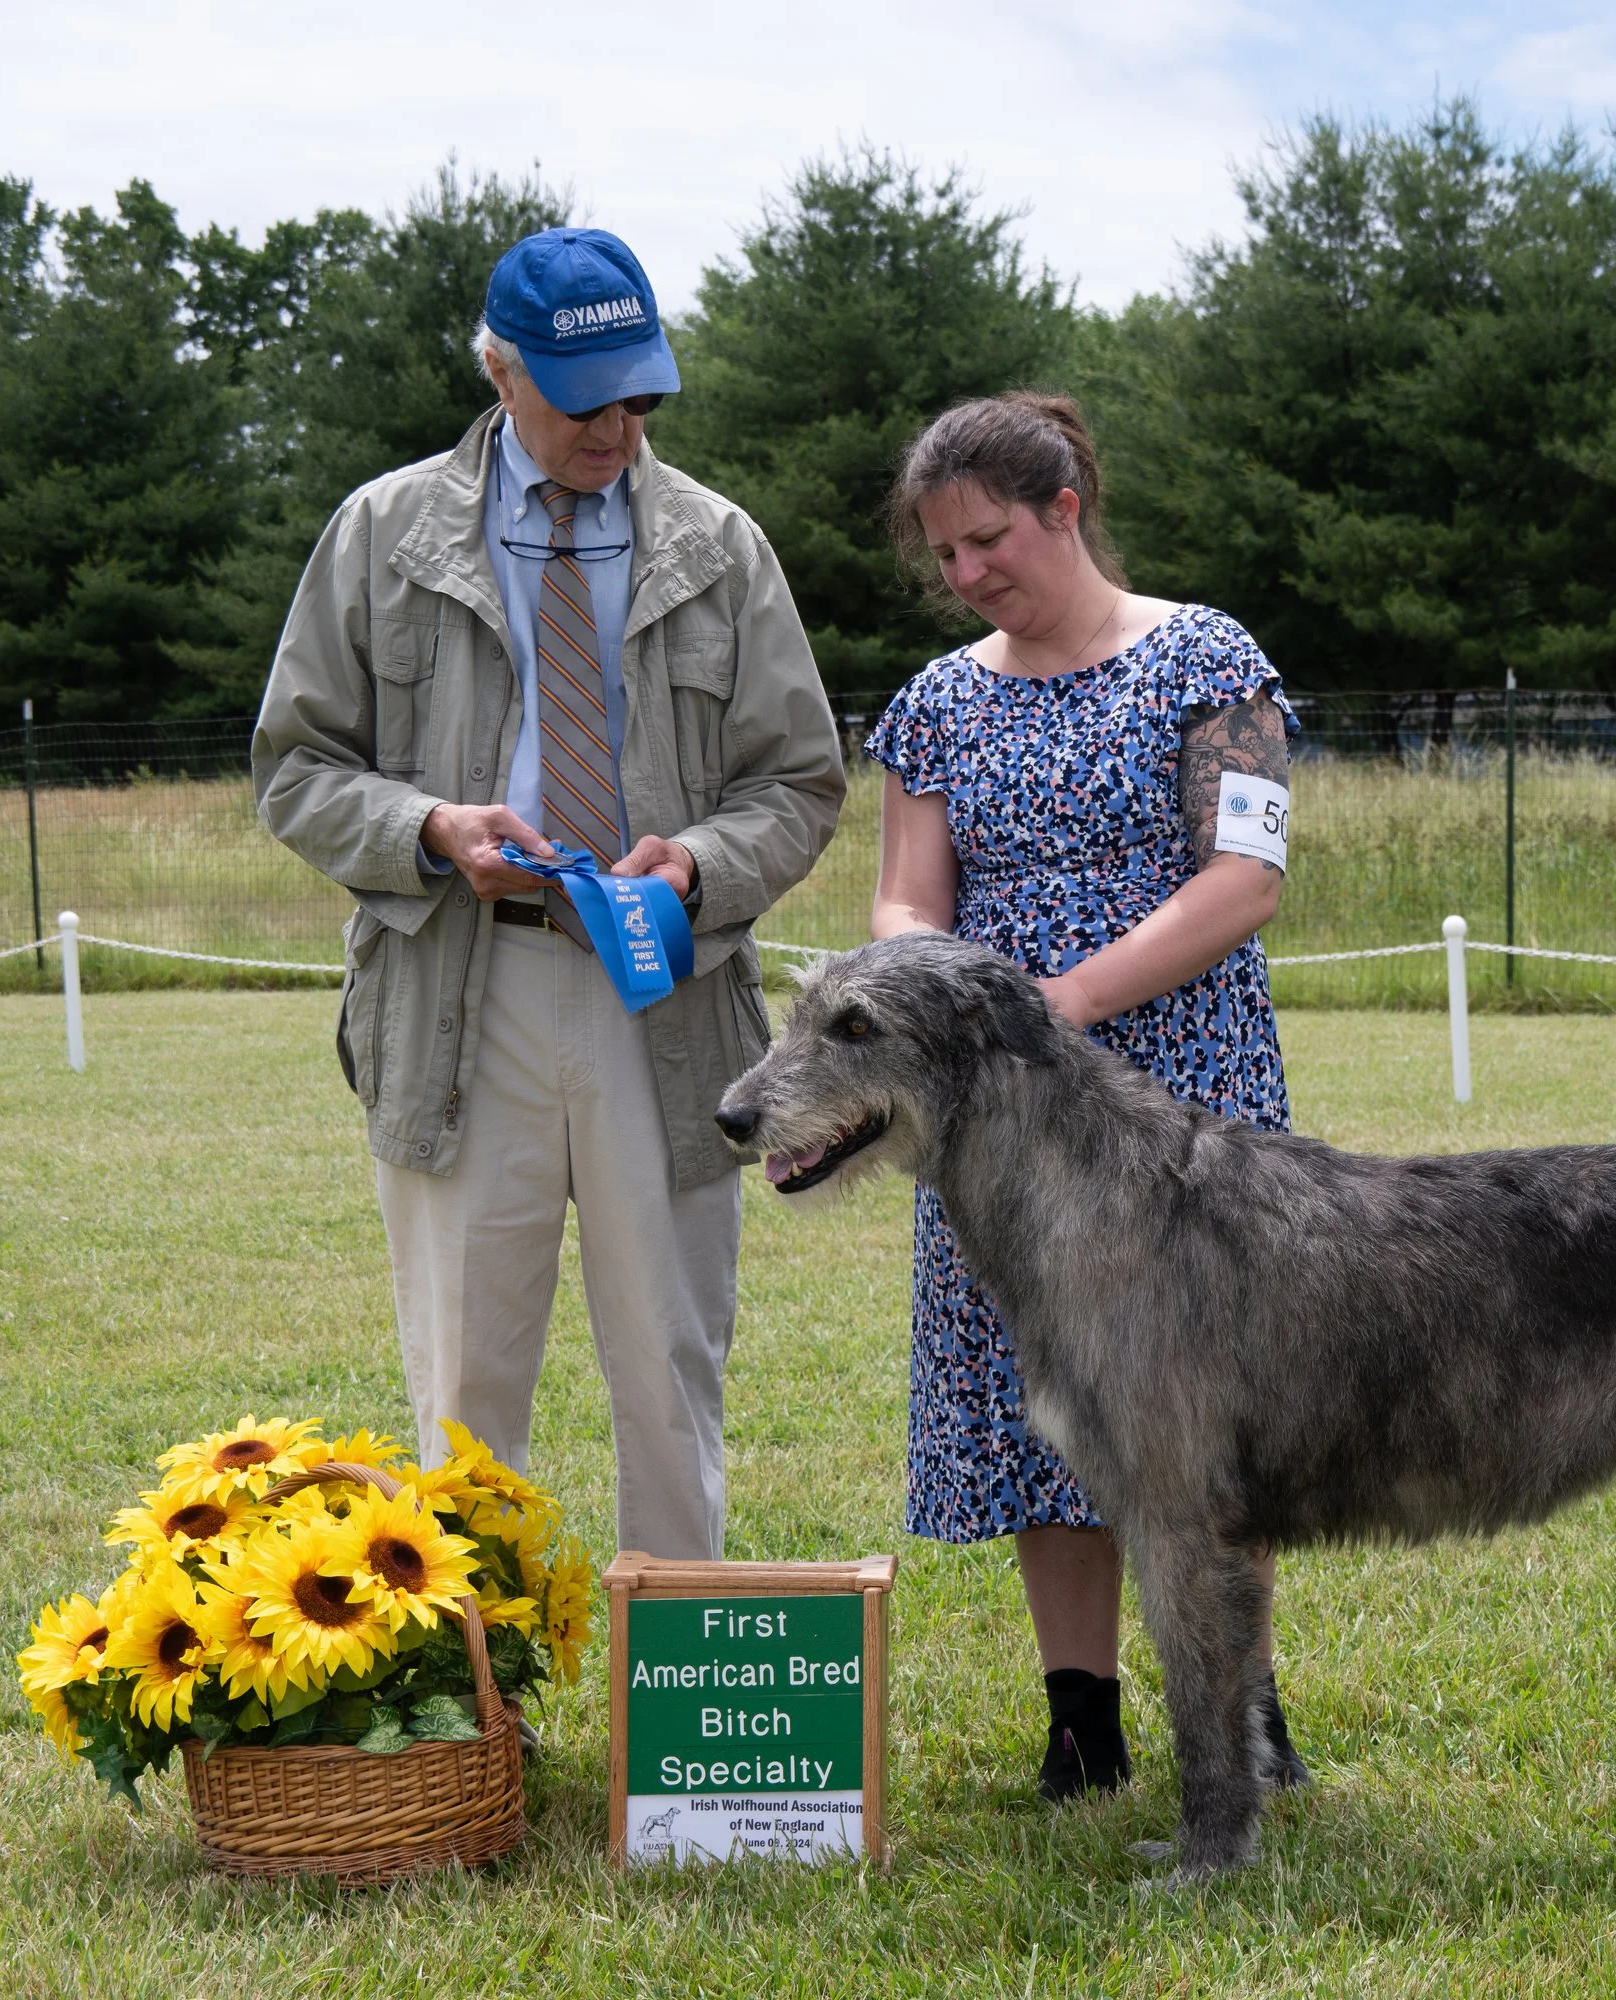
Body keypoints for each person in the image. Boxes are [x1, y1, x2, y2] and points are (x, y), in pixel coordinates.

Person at [254, 227, 844, 1561]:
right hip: (464, 988)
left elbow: (800, 783)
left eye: (642, 393)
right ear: (499, 370)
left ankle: (679, 1740)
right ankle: (477, 1732)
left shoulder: (722, 546)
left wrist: (697, 863)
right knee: (463, 1397)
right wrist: (425, 826)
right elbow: (294, 768)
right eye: (589, 399)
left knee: (671, 1383)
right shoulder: (382, 533)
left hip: (668, 994)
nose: (618, 427)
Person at [866, 391, 1308, 1800]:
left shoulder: (1209, 658)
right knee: (1028, 1400)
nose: (967, 573)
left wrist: (1066, 1000)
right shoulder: (934, 704)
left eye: (988, 539)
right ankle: (1082, 1722)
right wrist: (916, 982)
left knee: (1206, 1409)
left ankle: (1238, 1705)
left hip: (1184, 1088)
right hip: (990, 1113)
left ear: (1065, 510)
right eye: (943, 553)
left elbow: (1245, 879)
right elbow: (903, 893)